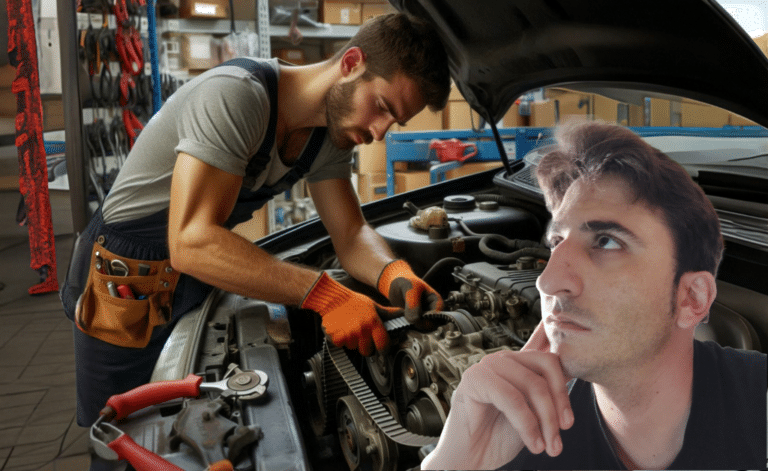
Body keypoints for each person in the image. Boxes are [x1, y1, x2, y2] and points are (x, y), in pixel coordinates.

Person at [60, 11, 449, 436]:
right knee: (123, 437)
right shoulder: (237, 97)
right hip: (125, 282)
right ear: (351, 62)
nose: (379, 132)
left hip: (192, 279)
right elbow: (190, 241)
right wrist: (325, 296)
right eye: (381, 107)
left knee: (183, 433)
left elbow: (351, 234)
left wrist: (393, 275)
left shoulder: (328, 135)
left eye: (395, 122)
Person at [421, 120, 767, 470]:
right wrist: (453, 464)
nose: (548, 280)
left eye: (606, 241)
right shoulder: (515, 438)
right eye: (557, 243)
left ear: (692, 298)